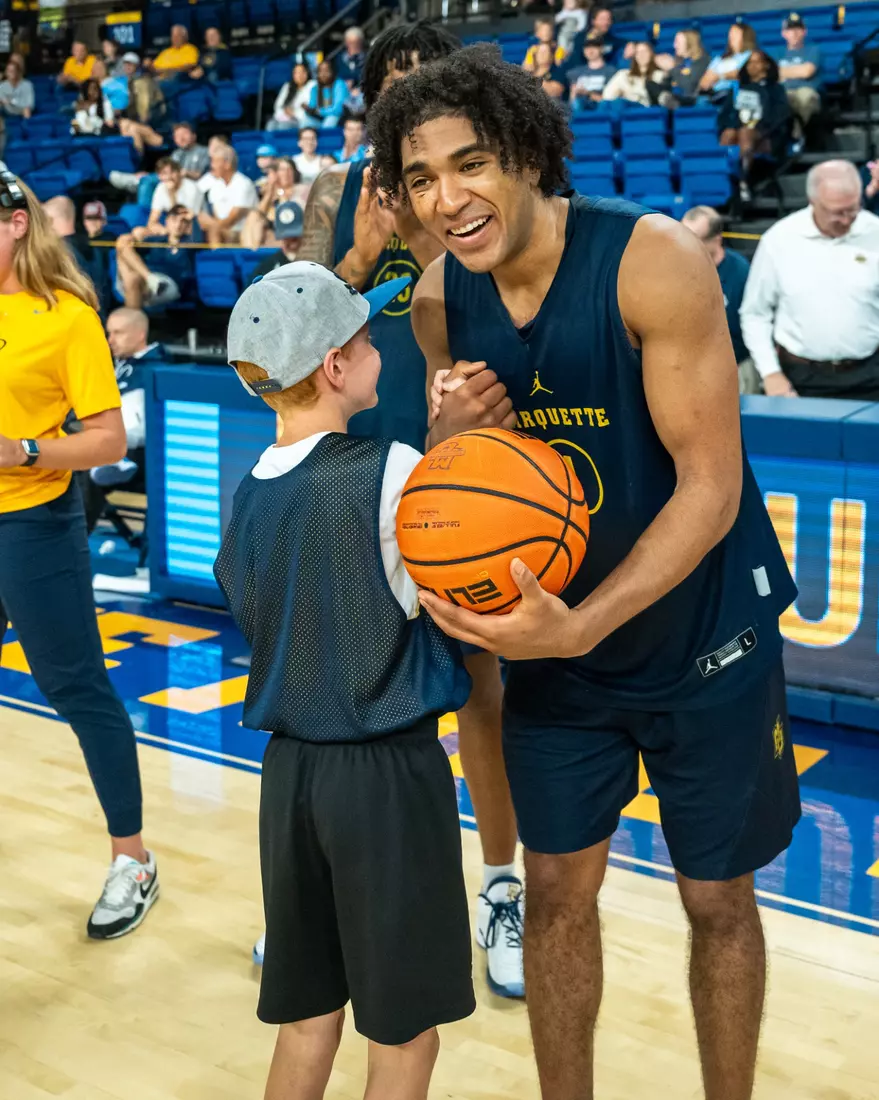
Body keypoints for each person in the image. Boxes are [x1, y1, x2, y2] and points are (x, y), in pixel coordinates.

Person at [369, 48, 801, 1100]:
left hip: (706, 642)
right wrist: (447, 437)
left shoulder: (651, 261)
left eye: (469, 163)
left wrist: (582, 622)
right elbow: (455, 489)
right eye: (422, 179)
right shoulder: (437, 302)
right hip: (559, 658)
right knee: (557, 891)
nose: (449, 198)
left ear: (523, 150)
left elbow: (709, 485)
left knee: (718, 900)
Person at [297, 20, 525, 1000]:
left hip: (468, 468)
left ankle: (502, 885)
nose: (413, 96)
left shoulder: (486, 186)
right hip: (364, 465)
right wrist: (357, 258)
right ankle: (336, 901)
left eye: (427, 78)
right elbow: (301, 336)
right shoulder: (349, 190)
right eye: (395, 83)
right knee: (353, 690)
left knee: (478, 690)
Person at [214, 262, 474, 1100]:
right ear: (333, 366)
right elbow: (454, 596)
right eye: (365, 338)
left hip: (289, 778)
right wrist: (459, 452)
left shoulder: (246, 496)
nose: (377, 349)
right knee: (403, 1035)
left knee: (307, 1017)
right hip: (384, 774)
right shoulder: (391, 470)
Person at [0, 173, 158, 938]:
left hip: (33, 521)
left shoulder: (65, 319)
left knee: (77, 689)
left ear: (16, 225)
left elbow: (107, 439)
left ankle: (132, 858)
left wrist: (24, 447)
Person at [740, 160, 879, 400]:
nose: (846, 220)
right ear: (812, 202)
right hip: (801, 380)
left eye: (852, 210)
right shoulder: (779, 240)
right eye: (837, 213)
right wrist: (771, 374)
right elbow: (755, 314)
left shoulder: (875, 231)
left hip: (870, 376)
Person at [84, 307, 165, 526]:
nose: (110, 340)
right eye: (109, 333)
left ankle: (72, 543)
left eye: (118, 333)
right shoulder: (116, 365)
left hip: (144, 451)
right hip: (105, 439)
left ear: (140, 334)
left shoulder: (158, 366)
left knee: (81, 474)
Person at [681, 206, 758, 394]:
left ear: (716, 239)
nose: (684, 245)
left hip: (735, 367)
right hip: (689, 368)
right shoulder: (676, 267)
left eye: (694, 240)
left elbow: (752, 324)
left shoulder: (740, 272)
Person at [719, 51, 791, 194]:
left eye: (757, 61)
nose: (753, 65)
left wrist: (758, 126)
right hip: (739, 133)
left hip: (767, 136)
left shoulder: (776, 89)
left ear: (766, 65)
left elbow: (780, 116)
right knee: (728, 133)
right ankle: (723, 179)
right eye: (749, 62)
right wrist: (733, 127)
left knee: (746, 133)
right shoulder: (736, 89)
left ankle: (743, 181)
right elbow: (724, 116)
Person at [115, 203, 200, 309]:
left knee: (132, 282)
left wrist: (194, 218)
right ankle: (150, 278)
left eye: (183, 221)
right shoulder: (157, 240)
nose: (178, 225)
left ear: (187, 225)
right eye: (174, 220)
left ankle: (131, 322)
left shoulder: (189, 242)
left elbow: (198, 239)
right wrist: (128, 238)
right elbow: (128, 250)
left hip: (170, 283)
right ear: (167, 221)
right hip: (149, 278)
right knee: (123, 244)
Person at [773, 13, 822, 143]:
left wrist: (783, 72)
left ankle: (795, 135)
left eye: (797, 29)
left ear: (804, 32)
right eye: (790, 30)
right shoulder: (777, 53)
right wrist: (797, 70)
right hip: (785, 92)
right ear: (784, 33)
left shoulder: (813, 50)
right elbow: (772, 75)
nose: (794, 33)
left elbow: (807, 72)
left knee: (806, 97)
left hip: (807, 90)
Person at [198, 144, 258, 244]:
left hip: (242, 232)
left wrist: (214, 226)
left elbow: (233, 218)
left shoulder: (243, 184)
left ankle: (217, 258)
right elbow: (216, 215)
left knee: (213, 230)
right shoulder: (216, 185)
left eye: (215, 161)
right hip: (223, 230)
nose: (212, 166)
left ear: (227, 164)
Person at [241, 158, 305, 249]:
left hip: (292, 228)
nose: (287, 173)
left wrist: (281, 193)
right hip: (270, 228)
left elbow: (288, 213)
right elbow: (260, 212)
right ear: (276, 174)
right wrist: (271, 189)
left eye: (290, 169)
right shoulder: (268, 190)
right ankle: (250, 256)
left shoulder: (301, 189)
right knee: (253, 217)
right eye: (282, 170)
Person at [142, 156, 204, 236]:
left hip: (190, 228)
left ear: (179, 172)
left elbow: (184, 219)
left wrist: (171, 194)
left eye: (172, 172)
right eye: (164, 173)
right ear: (159, 176)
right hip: (171, 228)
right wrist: (162, 231)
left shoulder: (191, 187)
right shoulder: (160, 188)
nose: (169, 177)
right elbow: (152, 221)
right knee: (138, 232)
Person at [567, 6, 634, 72]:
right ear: (593, 21)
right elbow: (576, 60)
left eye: (608, 19)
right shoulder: (581, 37)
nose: (606, 23)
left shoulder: (610, 38)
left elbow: (623, 42)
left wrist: (631, 44)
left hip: (605, 73)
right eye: (602, 19)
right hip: (584, 74)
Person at [655, 30, 710, 108]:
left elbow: (689, 88)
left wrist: (671, 68)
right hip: (676, 102)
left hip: (694, 103)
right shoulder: (679, 62)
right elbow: (666, 87)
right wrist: (666, 73)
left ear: (689, 43)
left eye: (677, 42)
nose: (674, 46)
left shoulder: (702, 61)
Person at [250, 201, 304, 278]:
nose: (292, 246)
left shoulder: (318, 265)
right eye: (285, 239)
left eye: (294, 239)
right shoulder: (266, 269)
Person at [700, 20, 756, 95]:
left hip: (737, 92)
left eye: (735, 33)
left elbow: (747, 73)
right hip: (715, 93)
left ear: (745, 35)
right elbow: (704, 82)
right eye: (730, 32)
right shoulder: (720, 59)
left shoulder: (751, 55)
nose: (731, 35)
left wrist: (720, 76)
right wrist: (708, 81)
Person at [601, 41, 665, 106]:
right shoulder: (623, 74)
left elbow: (652, 97)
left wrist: (626, 94)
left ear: (651, 54)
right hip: (622, 107)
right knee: (604, 104)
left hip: (643, 109)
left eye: (645, 51)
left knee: (619, 103)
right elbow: (607, 95)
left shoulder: (659, 75)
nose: (641, 55)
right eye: (638, 52)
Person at [568, 37, 616, 110]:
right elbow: (572, 102)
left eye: (594, 46)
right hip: (580, 108)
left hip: (601, 108)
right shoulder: (575, 72)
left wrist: (588, 94)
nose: (590, 50)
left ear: (601, 49)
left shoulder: (611, 71)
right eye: (587, 47)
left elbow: (609, 100)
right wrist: (574, 93)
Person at [268, 60, 314, 131]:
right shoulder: (287, 86)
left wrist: (294, 113)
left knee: (283, 126)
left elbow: (310, 107)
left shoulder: (312, 85)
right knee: (270, 125)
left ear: (307, 73)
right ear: (293, 75)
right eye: (297, 73)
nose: (300, 75)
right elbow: (278, 106)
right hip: (283, 117)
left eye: (303, 72)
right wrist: (285, 113)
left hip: (300, 119)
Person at [303, 59, 348, 128]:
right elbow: (313, 106)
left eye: (327, 70)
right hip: (320, 118)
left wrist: (319, 111)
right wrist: (308, 109)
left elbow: (338, 109)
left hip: (338, 117)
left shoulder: (339, 84)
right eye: (320, 71)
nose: (323, 74)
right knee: (305, 121)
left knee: (331, 119)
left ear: (333, 72)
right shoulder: (314, 88)